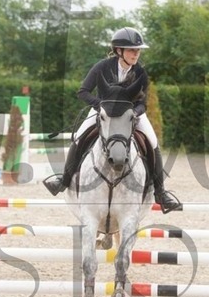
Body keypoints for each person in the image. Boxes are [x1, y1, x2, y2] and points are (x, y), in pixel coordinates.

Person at [43, 27, 182, 213]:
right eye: (132, 50)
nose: (136, 54)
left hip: (130, 114)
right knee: (79, 136)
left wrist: (134, 113)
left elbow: (143, 103)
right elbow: (83, 92)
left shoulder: (141, 72)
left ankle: (161, 192)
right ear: (119, 50)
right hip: (103, 112)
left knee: (152, 140)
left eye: (138, 50)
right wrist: (100, 106)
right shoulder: (102, 66)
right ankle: (64, 180)